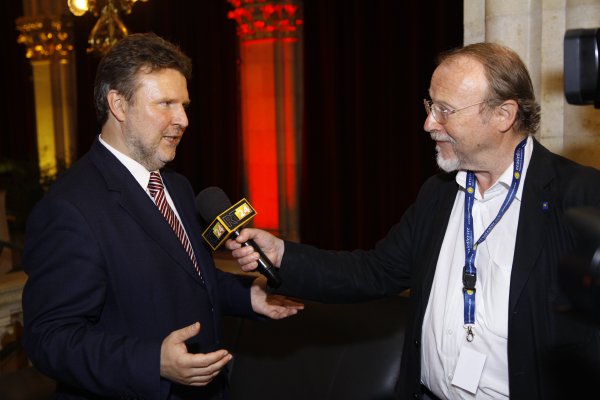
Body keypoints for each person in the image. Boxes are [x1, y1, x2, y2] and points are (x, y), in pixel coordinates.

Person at [226, 42, 600, 400]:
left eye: (445, 110)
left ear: (503, 115)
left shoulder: (580, 197)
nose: (428, 123)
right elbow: (374, 272)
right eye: (430, 105)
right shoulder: (438, 193)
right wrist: (283, 255)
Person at [21, 32, 303, 400]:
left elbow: (190, 277)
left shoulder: (178, 187)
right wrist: (152, 362)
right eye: (166, 103)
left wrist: (249, 296)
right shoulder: (69, 208)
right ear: (119, 105)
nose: (183, 119)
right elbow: (49, 339)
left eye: (183, 105)